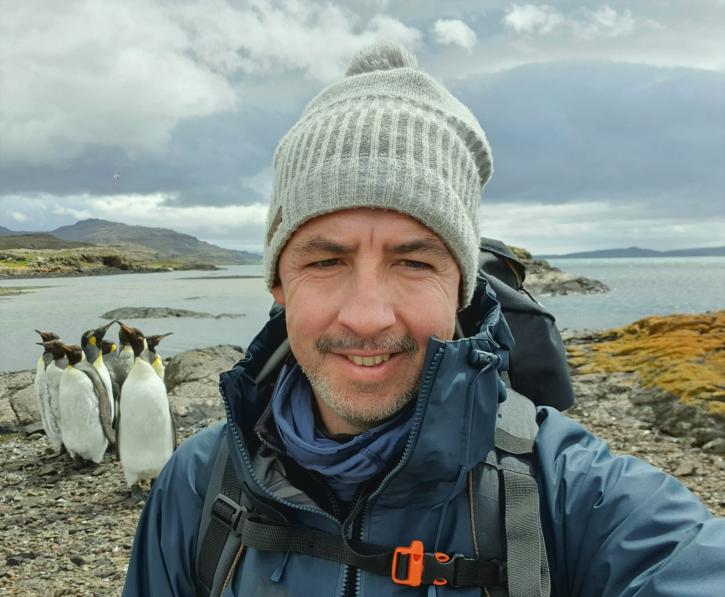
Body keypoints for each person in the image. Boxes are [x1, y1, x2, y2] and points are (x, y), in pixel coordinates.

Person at [122, 41, 724, 596]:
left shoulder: (569, 495)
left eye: (413, 262)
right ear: (278, 282)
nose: (365, 315)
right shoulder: (200, 487)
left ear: (461, 285)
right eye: (327, 260)